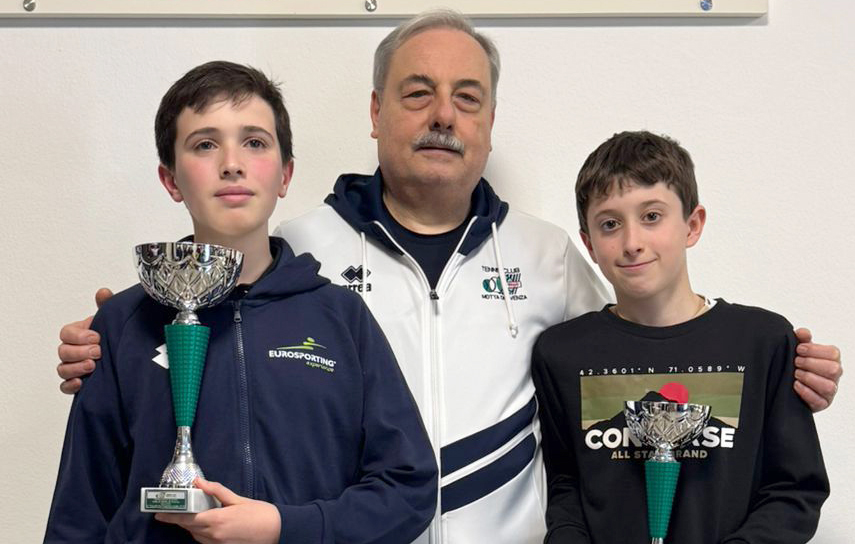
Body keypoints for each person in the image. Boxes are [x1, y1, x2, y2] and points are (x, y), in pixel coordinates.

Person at [53, 10, 842, 544]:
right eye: (417, 93)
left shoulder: (548, 254)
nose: (443, 115)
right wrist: (115, 340)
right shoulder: (301, 246)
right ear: (375, 111)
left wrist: (775, 365)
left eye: (467, 98)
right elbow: (211, 311)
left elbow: (641, 345)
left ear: (490, 121)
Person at [44, 61, 437, 544]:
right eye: (205, 145)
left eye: (254, 142)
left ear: (285, 175)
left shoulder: (342, 317)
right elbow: (79, 518)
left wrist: (284, 527)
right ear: (171, 180)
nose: (232, 163)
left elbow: (409, 490)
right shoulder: (123, 324)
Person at [532, 131, 829, 543]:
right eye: (610, 224)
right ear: (589, 244)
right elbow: (563, 486)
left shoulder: (763, 341)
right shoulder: (562, 353)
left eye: (652, 216)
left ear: (692, 225)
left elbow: (795, 490)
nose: (632, 243)